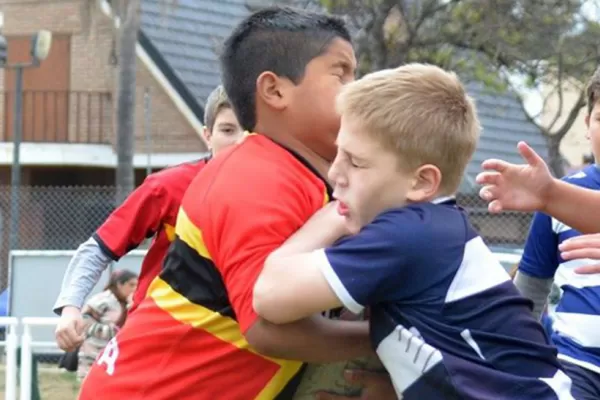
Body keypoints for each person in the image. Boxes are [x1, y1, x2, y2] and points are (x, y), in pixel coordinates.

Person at [77, 6, 390, 400]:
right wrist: (387, 340)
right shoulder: (257, 177)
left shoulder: (308, 178)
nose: (356, 89)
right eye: (340, 73)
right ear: (274, 91)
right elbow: (268, 329)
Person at [253, 64, 573, 399]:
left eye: (356, 162)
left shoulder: (411, 234)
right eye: (338, 155)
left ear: (421, 182)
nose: (335, 173)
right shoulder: (438, 228)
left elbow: (270, 297)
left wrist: (331, 217)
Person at [54, 85, 243, 352]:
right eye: (227, 130)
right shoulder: (168, 187)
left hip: (233, 347)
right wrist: (70, 307)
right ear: (207, 136)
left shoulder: (280, 193)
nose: (238, 141)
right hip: (154, 341)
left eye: (249, 132)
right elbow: (97, 249)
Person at [482, 69, 600, 398]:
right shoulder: (557, 199)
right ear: (588, 125)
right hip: (578, 366)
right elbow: (529, 294)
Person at [77, 269, 138, 381]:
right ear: (120, 284)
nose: (134, 289)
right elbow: (84, 321)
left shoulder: (131, 303)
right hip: (94, 353)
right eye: (131, 285)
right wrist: (112, 331)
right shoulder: (103, 300)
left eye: (136, 286)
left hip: (116, 355)